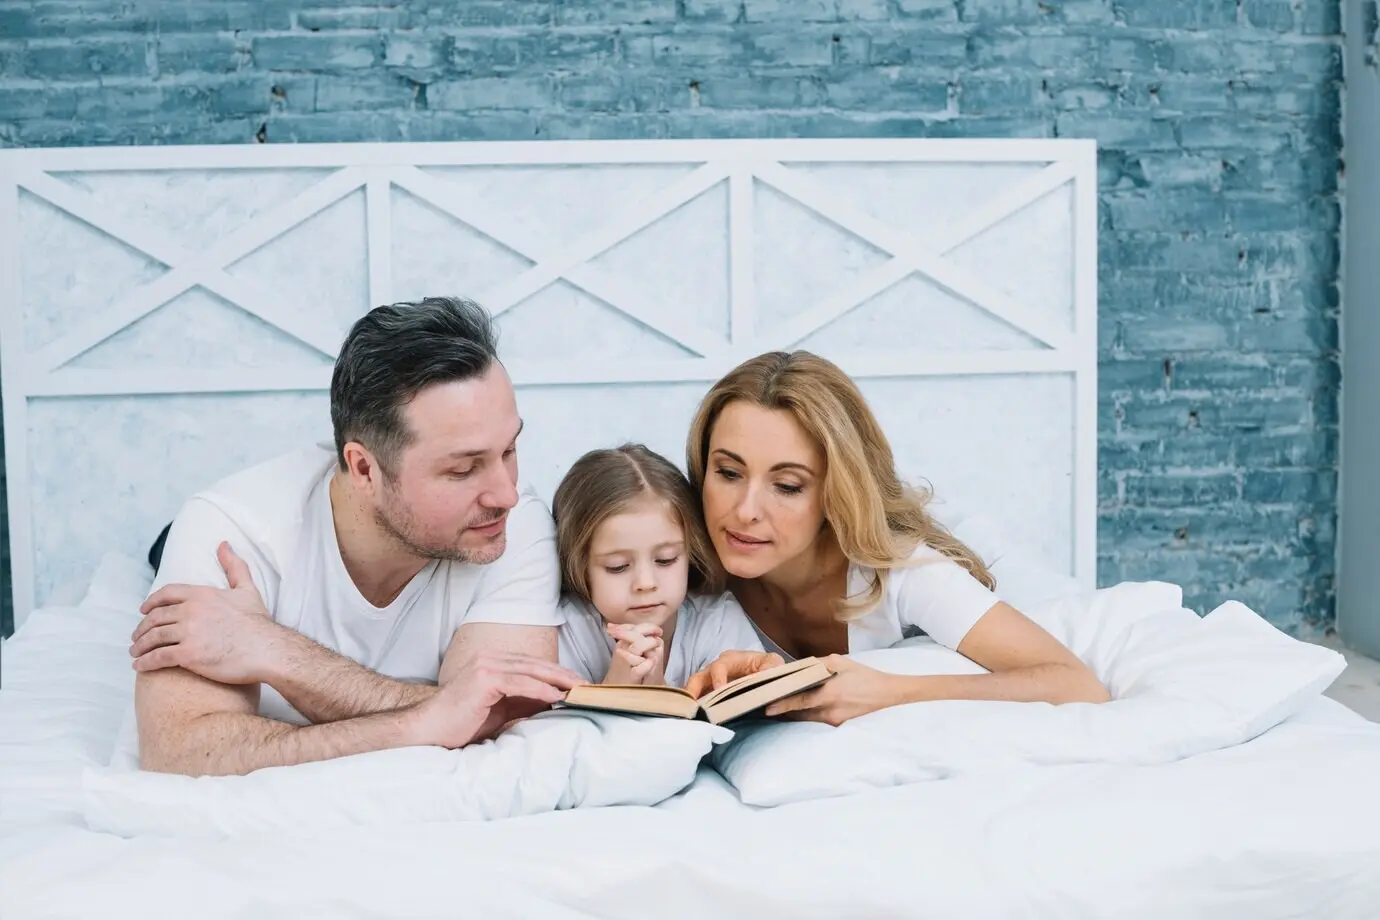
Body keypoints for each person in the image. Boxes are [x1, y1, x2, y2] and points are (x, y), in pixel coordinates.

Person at [130, 297, 586, 777]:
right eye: (463, 469)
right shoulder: (230, 533)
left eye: (510, 449)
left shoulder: (515, 523)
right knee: (172, 547)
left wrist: (278, 651)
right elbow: (179, 753)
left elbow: (499, 719)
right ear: (363, 467)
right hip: (273, 519)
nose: (505, 493)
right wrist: (429, 718)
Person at [682, 350, 1111, 723]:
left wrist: (891, 691)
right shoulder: (676, 568)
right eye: (729, 473)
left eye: (788, 486)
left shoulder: (903, 572)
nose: (745, 512)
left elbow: (1075, 684)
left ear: (837, 489)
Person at [551, 444, 764, 687]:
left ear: (689, 552)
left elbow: (749, 709)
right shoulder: (569, 631)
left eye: (666, 560)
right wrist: (615, 689)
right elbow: (553, 721)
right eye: (618, 566)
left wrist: (657, 691)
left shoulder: (717, 621)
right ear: (580, 567)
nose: (646, 584)